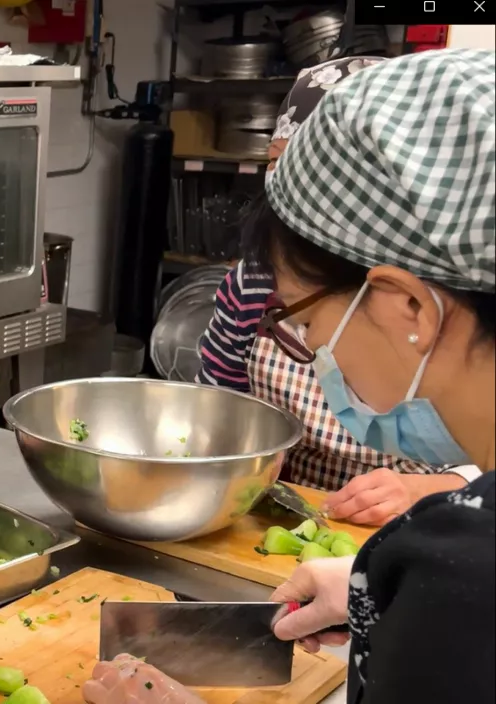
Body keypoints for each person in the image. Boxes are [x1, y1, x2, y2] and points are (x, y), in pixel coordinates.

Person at [85, 49, 495, 703]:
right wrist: (374, 588)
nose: (308, 346)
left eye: (304, 319)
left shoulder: (461, 589)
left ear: (408, 308)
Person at [195, 55, 480, 526]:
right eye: (274, 168)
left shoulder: (462, 309)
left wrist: (436, 488)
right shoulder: (254, 285)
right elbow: (214, 411)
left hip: (423, 525)